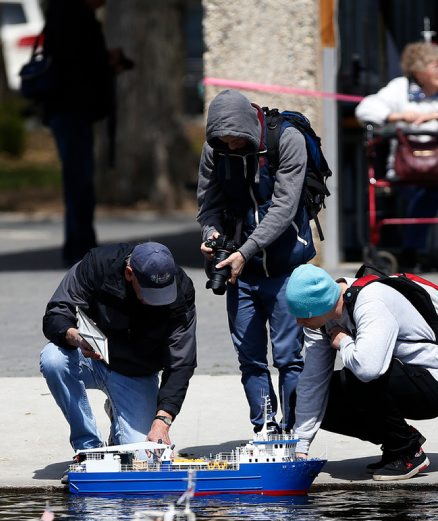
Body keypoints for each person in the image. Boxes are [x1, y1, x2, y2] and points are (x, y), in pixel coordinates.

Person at [197, 89, 316, 432]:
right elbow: (208, 206)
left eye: (236, 141)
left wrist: (245, 251)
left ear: (250, 129)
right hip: (241, 273)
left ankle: (295, 430)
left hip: (285, 268)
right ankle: (265, 428)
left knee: (288, 358)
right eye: (223, 142)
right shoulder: (214, 149)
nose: (230, 147)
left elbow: (283, 209)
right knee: (249, 359)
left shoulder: (287, 140)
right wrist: (211, 237)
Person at [286, 264, 438, 481]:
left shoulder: (370, 301)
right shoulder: (320, 321)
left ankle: (408, 452)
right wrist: (301, 447)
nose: (298, 322)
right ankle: (398, 440)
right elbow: (313, 382)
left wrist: (345, 342)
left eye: (303, 316)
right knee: (300, 396)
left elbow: (368, 368)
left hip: (433, 384)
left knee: (356, 377)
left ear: (322, 307)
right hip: (392, 379)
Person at [40, 241, 197, 452]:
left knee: (141, 454)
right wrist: (76, 337)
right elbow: (56, 313)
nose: (156, 301)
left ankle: (119, 420)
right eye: (150, 292)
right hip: (92, 358)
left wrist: (162, 421)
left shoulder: (182, 288)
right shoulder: (96, 265)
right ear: (129, 273)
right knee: (53, 359)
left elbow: (182, 362)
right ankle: (87, 447)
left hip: (136, 372)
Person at [355, 41, 438, 266]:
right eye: (437, 66)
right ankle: (411, 251)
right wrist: (398, 116)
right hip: (409, 166)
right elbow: (365, 109)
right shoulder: (399, 88)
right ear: (418, 71)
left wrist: (435, 113)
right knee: (426, 194)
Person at [42, 0, 132, 267]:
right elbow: (76, 63)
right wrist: (106, 62)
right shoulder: (72, 16)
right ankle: (79, 248)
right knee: (78, 181)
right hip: (70, 109)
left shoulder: (71, 15)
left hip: (71, 110)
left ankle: (81, 245)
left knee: (80, 181)